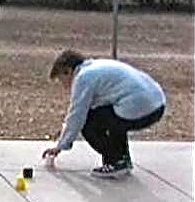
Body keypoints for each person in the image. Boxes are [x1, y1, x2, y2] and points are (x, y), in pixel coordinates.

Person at [41, 49, 166, 178]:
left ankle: (115, 161)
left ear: (68, 71)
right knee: (109, 115)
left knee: (89, 123)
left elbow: (78, 115)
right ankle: (122, 160)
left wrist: (60, 146)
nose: (65, 86)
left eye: (62, 80)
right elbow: (89, 109)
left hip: (141, 107)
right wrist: (65, 131)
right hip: (157, 105)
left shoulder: (82, 78)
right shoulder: (97, 67)